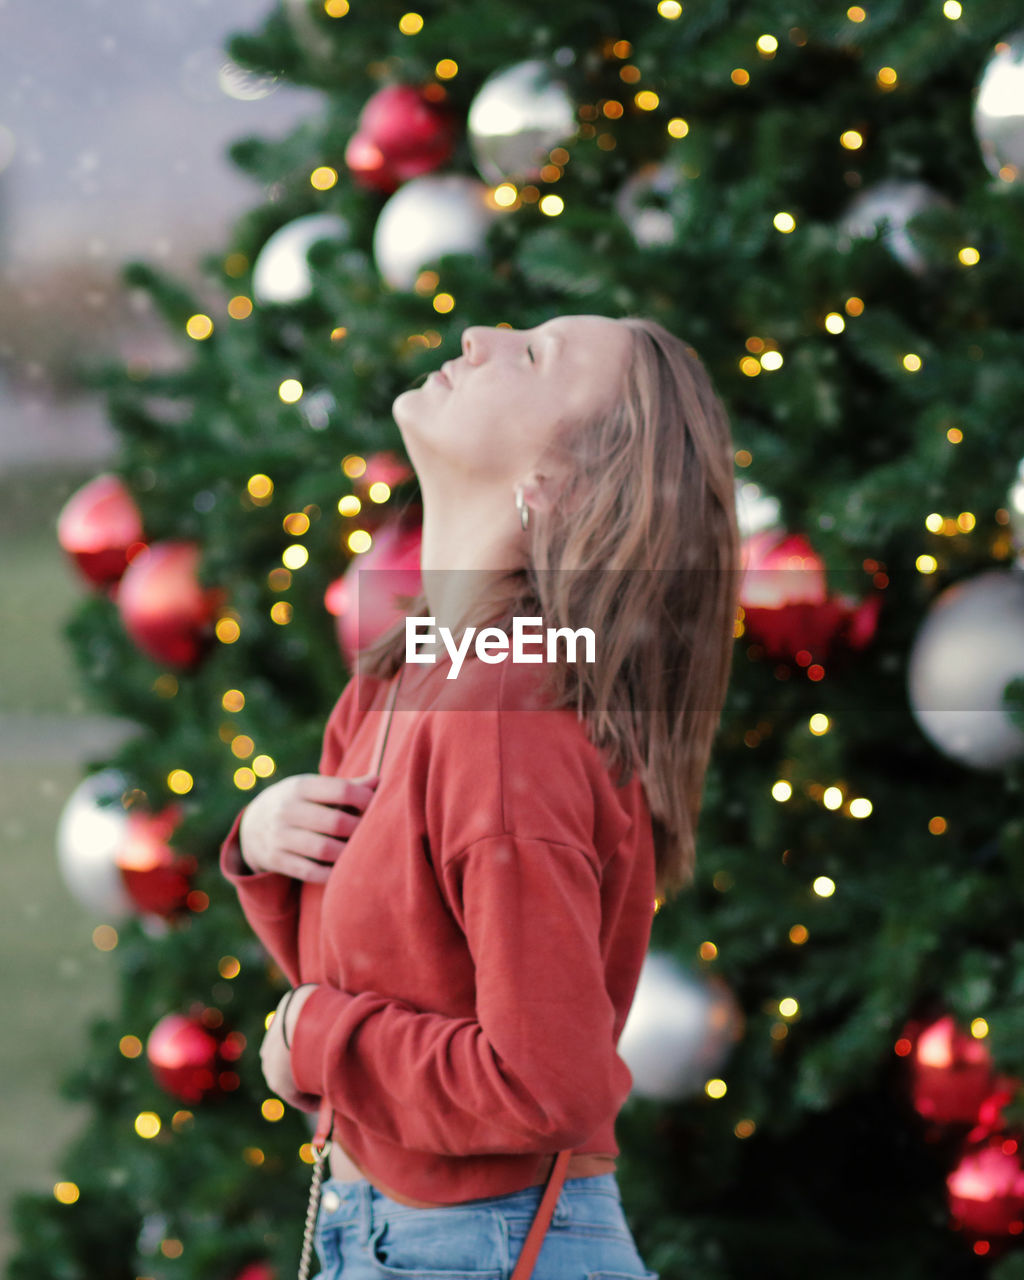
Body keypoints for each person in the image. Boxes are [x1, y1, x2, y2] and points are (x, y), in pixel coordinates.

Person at [220, 312, 741, 1280]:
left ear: (551, 487)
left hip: (479, 1246)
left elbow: (546, 1084)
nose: (477, 334)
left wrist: (316, 1035)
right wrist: (264, 845)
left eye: (534, 356)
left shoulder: (506, 709)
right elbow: (381, 977)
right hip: (383, 1231)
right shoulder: (405, 671)